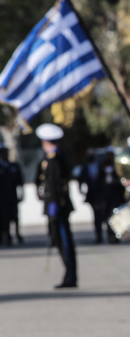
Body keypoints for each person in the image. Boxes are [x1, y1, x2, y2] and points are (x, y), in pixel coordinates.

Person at [36, 123, 78, 288]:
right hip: (55, 206)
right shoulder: (53, 157)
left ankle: (71, 277)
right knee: (60, 242)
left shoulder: (55, 159)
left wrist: (53, 205)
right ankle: (69, 275)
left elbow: (55, 185)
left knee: (65, 243)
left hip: (58, 207)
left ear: (45, 141)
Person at [0, 143, 23, 246]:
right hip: (1, 199)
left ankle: (17, 234)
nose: (4, 155)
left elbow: (20, 181)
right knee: (4, 218)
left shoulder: (14, 166)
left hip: (12, 197)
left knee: (15, 217)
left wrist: (22, 193)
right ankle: (6, 236)